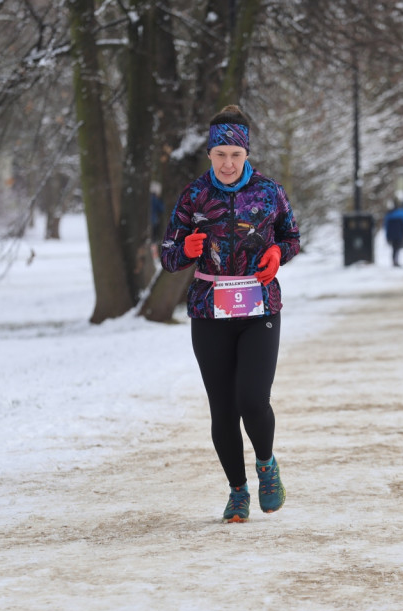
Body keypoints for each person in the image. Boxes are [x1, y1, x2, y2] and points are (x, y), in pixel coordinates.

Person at [159, 104, 301, 523]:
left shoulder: (270, 192)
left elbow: (292, 237)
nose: (227, 162)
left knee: (253, 399)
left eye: (235, 155)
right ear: (209, 155)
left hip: (260, 307)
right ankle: (237, 492)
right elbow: (168, 253)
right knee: (222, 408)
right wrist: (183, 251)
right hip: (210, 311)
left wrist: (277, 253)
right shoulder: (193, 195)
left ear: (246, 154)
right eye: (220, 154)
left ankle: (266, 465)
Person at [383, 199, 403, 267]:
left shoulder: (389, 214)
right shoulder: (402, 213)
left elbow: (386, 226)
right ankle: (396, 261)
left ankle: (394, 261)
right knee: (397, 248)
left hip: (392, 234)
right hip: (400, 234)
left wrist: (387, 236)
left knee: (394, 248)